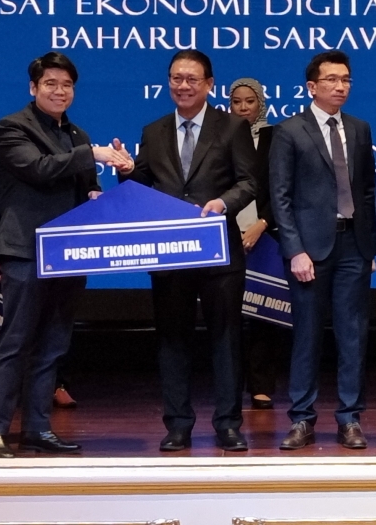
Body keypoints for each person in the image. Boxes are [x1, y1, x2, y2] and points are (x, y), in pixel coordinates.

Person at [0, 52, 132, 458]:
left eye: (66, 85)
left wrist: (104, 186)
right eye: (50, 83)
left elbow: (85, 190)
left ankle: (37, 429)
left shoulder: (78, 135)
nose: (59, 91)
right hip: (26, 250)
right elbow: (38, 169)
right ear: (33, 88)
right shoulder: (12, 127)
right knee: (14, 343)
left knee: (52, 346)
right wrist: (93, 155)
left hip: (70, 254)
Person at [120, 50, 257, 452]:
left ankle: (228, 424)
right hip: (170, 253)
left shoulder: (231, 127)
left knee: (226, 339)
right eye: (176, 78)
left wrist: (223, 203)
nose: (183, 86)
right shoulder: (154, 129)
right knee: (172, 340)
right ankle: (178, 424)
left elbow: (249, 182)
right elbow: (144, 182)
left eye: (192, 79)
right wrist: (127, 170)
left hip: (220, 254)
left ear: (209, 84)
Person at [270, 49, 376, 450]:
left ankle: (350, 418)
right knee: (308, 336)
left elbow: (367, 191)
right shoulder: (290, 131)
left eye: (346, 79)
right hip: (310, 250)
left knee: (353, 335)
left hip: (354, 244)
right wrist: (294, 249)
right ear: (312, 86)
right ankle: (302, 417)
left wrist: (370, 248)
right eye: (332, 79)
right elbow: (280, 197)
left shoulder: (360, 128)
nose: (340, 86)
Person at [230, 77, 284, 410]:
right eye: (237, 102)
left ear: (260, 103)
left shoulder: (276, 137)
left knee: (266, 313)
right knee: (230, 314)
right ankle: (231, 383)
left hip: (267, 233)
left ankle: (262, 385)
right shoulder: (221, 135)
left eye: (250, 101)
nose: (243, 108)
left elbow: (283, 186)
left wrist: (262, 223)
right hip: (229, 233)